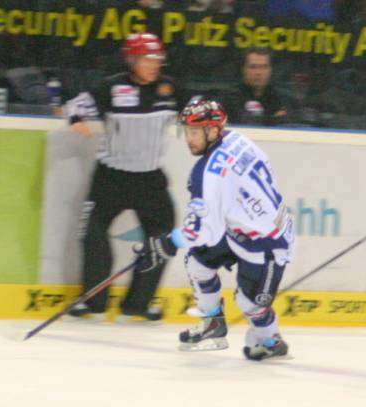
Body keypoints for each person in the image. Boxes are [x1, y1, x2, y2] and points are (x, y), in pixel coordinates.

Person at [137, 99, 295, 361]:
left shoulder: (207, 173)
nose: (188, 139)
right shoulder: (237, 139)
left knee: (249, 303)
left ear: (213, 130)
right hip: (238, 229)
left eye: (194, 132)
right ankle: (212, 323)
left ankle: (271, 340)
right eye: (187, 131)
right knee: (198, 263)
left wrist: (166, 243)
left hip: (267, 242)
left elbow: (205, 232)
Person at [65, 33, 182, 323]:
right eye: (146, 59)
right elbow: (76, 104)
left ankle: (138, 304)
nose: (153, 65)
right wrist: (76, 119)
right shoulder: (112, 87)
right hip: (111, 177)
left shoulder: (170, 88)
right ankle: (94, 301)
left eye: (157, 59)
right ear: (131, 60)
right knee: (92, 231)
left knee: (164, 236)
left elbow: (198, 109)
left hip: (150, 179)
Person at [220, 48, 289, 126]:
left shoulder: (281, 98)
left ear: (270, 70)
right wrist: (274, 119)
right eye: (253, 67)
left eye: (264, 67)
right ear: (243, 69)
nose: (258, 72)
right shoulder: (230, 97)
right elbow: (242, 121)